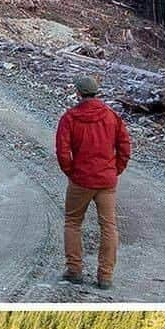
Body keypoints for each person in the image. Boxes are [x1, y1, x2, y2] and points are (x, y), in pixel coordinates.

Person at [55, 76, 131, 290]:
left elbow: (62, 151)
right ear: (97, 92)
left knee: (72, 223)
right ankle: (105, 277)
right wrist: (115, 170)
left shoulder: (70, 117)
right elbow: (125, 146)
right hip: (106, 180)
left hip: (81, 180)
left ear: (78, 93)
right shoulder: (111, 116)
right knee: (108, 226)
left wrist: (71, 171)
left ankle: (74, 270)